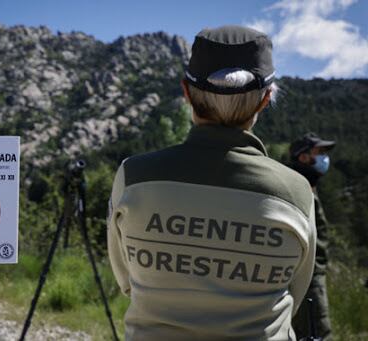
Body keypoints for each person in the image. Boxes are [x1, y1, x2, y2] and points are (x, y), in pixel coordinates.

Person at [107, 25, 316, 340]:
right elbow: (295, 293)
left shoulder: (132, 176)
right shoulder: (297, 193)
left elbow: (126, 281)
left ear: (187, 93)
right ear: (265, 99)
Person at [289, 132, 335, 341]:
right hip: (309, 279)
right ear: (303, 157)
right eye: (319, 152)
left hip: (310, 276)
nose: (325, 157)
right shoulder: (299, 188)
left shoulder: (307, 185)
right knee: (317, 332)